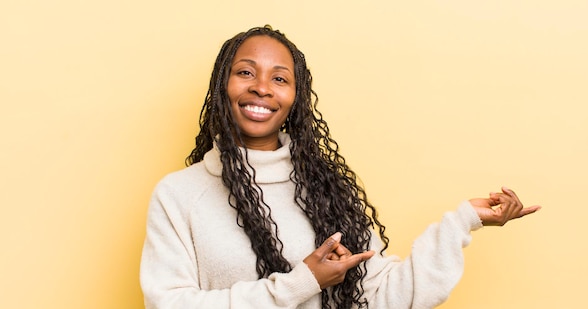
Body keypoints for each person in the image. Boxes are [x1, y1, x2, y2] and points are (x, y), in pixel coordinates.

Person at [140, 25, 541, 309]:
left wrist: (463, 221)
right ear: (221, 86)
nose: (261, 87)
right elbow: (167, 303)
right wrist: (302, 283)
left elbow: (383, 295)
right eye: (245, 72)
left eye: (280, 78)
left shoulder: (325, 190)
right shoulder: (179, 195)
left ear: (295, 98)